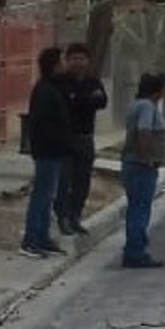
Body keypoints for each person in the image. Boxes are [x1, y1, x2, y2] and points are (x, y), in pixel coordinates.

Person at [21, 46, 74, 257]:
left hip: (55, 150)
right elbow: (43, 123)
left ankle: (42, 237)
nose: (65, 65)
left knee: (48, 196)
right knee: (41, 196)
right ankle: (30, 240)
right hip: (46, 151)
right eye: (61, 62)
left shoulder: (56, 87)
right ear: (53, 66)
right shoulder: (44, 90)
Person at [55, 42, 109, 236]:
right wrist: (86, 99)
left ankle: (75, 216)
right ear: (67, 60)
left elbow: (102, 101)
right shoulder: (61, 82)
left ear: (88, 61)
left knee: (82, 180)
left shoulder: (93, 81)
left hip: (86, 138)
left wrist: (81, 98)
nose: (78, 62)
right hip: (66, 138)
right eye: (74, 58)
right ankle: (62, 217)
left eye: (82, 58)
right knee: (64, 180)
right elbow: (69, 104)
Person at [119, 71, 165, 269]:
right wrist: (147, 158)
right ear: (158, 89)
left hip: (132, 164)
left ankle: (135, 248)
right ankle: (135, 252)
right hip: (140, 166)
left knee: (136, 208)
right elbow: (144, 132)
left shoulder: (137, 105)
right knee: (140, 210)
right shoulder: (147, 107)